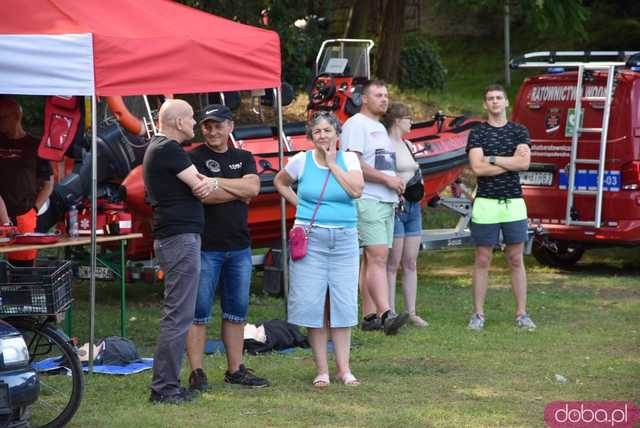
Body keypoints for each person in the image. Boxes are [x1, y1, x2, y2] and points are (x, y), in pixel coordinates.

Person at [274, 111, 364, 387]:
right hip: (311, 238)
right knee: (313, 304)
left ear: (337, 133)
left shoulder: (349, 159)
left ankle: (344, 369)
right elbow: (280, 181)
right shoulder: (301, 160)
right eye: (317, 132)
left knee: (343, 302)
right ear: (311, 136)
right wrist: (299, 204)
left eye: (327, 130)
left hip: (344, 238)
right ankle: (322, 369)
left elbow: (356, 191)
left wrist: (330, 163)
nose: (323, 135)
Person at [185, 104, 270, 391]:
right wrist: (236, 190)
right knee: (198, 312)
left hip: (240, 247)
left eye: (218, 125)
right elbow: (203, 196)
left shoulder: (244, 156)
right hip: (205, 247)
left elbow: (253, 189)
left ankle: (235, 370)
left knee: (237, 311)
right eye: (207, 126)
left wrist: (217, 183)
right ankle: (197, 372)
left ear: (230, 127)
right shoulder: (193, 157)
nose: (212, 131)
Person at [143, 99, 217, 404]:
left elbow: (203, 184)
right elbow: (199, 183)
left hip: (176, 237)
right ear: (176, 122)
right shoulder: (168, 149)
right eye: (190, 118)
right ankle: (164, 389)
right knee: (179, 315)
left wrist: (207, 183)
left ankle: (166, 385)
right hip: (179, 238)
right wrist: (206, 183)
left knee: (178, 313)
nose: (195, 124)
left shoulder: (159, 148)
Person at [340, 80, 409, 335]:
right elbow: (353, 162)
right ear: (363, 99)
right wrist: (387, 180)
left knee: (372, 260)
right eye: (378, 95)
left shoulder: (378, 126)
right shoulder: (355, 124)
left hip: (385, 199)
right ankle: (387, 313)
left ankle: (370, 317)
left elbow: (381, 164)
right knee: (378, 257)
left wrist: (394, 185)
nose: (384, 99)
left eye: (386, 95)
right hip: (367, 199)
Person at [466, 84, 536, 330]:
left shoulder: (519, 131)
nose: (494, 102)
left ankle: (521, 313)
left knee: (516, 258)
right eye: (490, 99)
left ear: (506, 102)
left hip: (514, 202)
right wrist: (511, 162)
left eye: (498, 98)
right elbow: (478, 168)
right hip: (486, 202)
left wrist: (493, 158)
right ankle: (478, 314)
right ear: (485, 105)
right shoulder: (478, 133)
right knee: (483, 258)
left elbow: (525, 164)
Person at [383, 102, 428, 327]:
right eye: (408, 118)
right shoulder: (386, 145)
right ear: (397, 121)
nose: (411, 122)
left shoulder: (407, 144)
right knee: (393, 262)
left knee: (410, 261)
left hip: (413, 206)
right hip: (396, 207)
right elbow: (386, 175)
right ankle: (389, 311)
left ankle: (411, 311)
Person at [0, 97, 53, 266]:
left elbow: (48, 183)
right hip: (1, 209)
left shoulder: (35, 145)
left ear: (16, 116)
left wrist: (34, 209)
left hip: (24, 213)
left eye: (2, 117)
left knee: (23, 268)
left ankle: (22, 292)